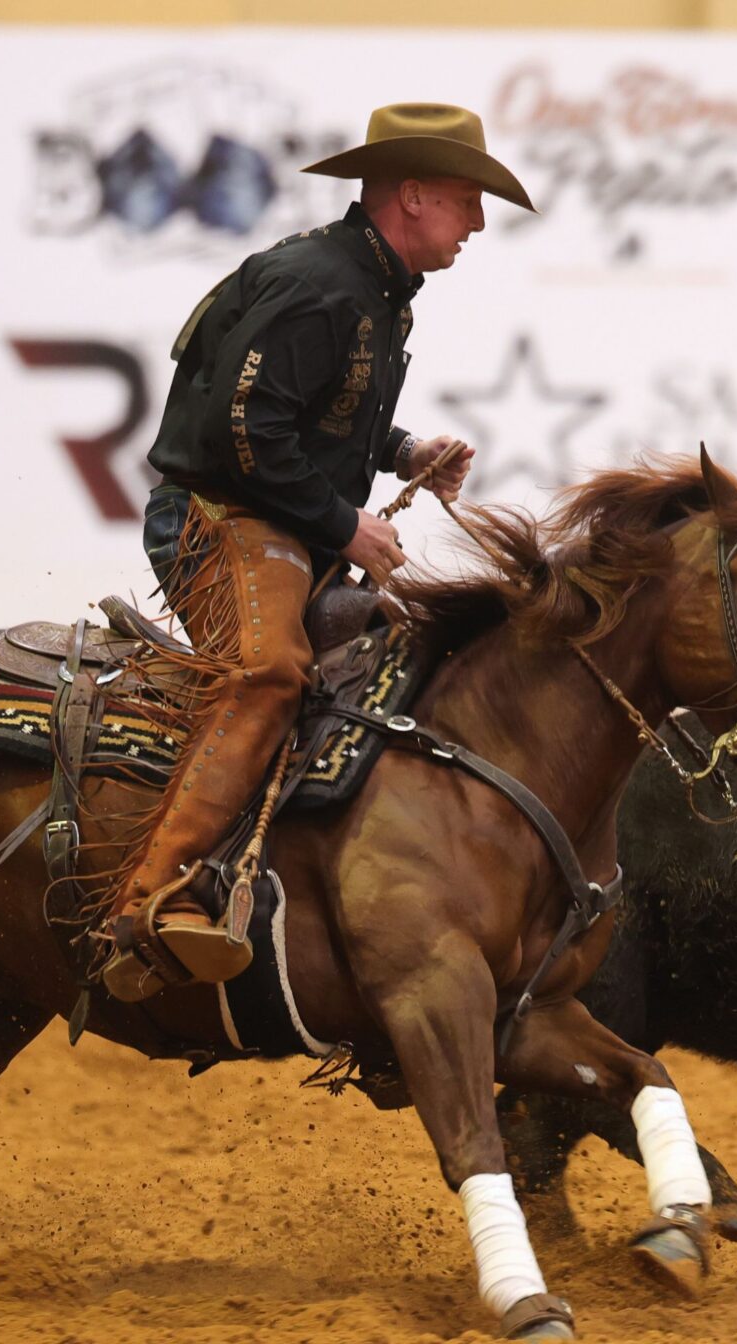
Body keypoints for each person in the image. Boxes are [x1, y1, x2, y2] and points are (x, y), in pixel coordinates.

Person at [100, 104, 534, 1003]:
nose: (480, 222)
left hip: (270, 520)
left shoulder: (364, 288)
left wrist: (404, 451)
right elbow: (242, 430)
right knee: (268, 673)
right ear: (411, 197)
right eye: (466, 200)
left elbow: (310, 413)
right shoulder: (323, 286)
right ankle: (153, 901)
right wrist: (346, 526)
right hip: (217, 521)